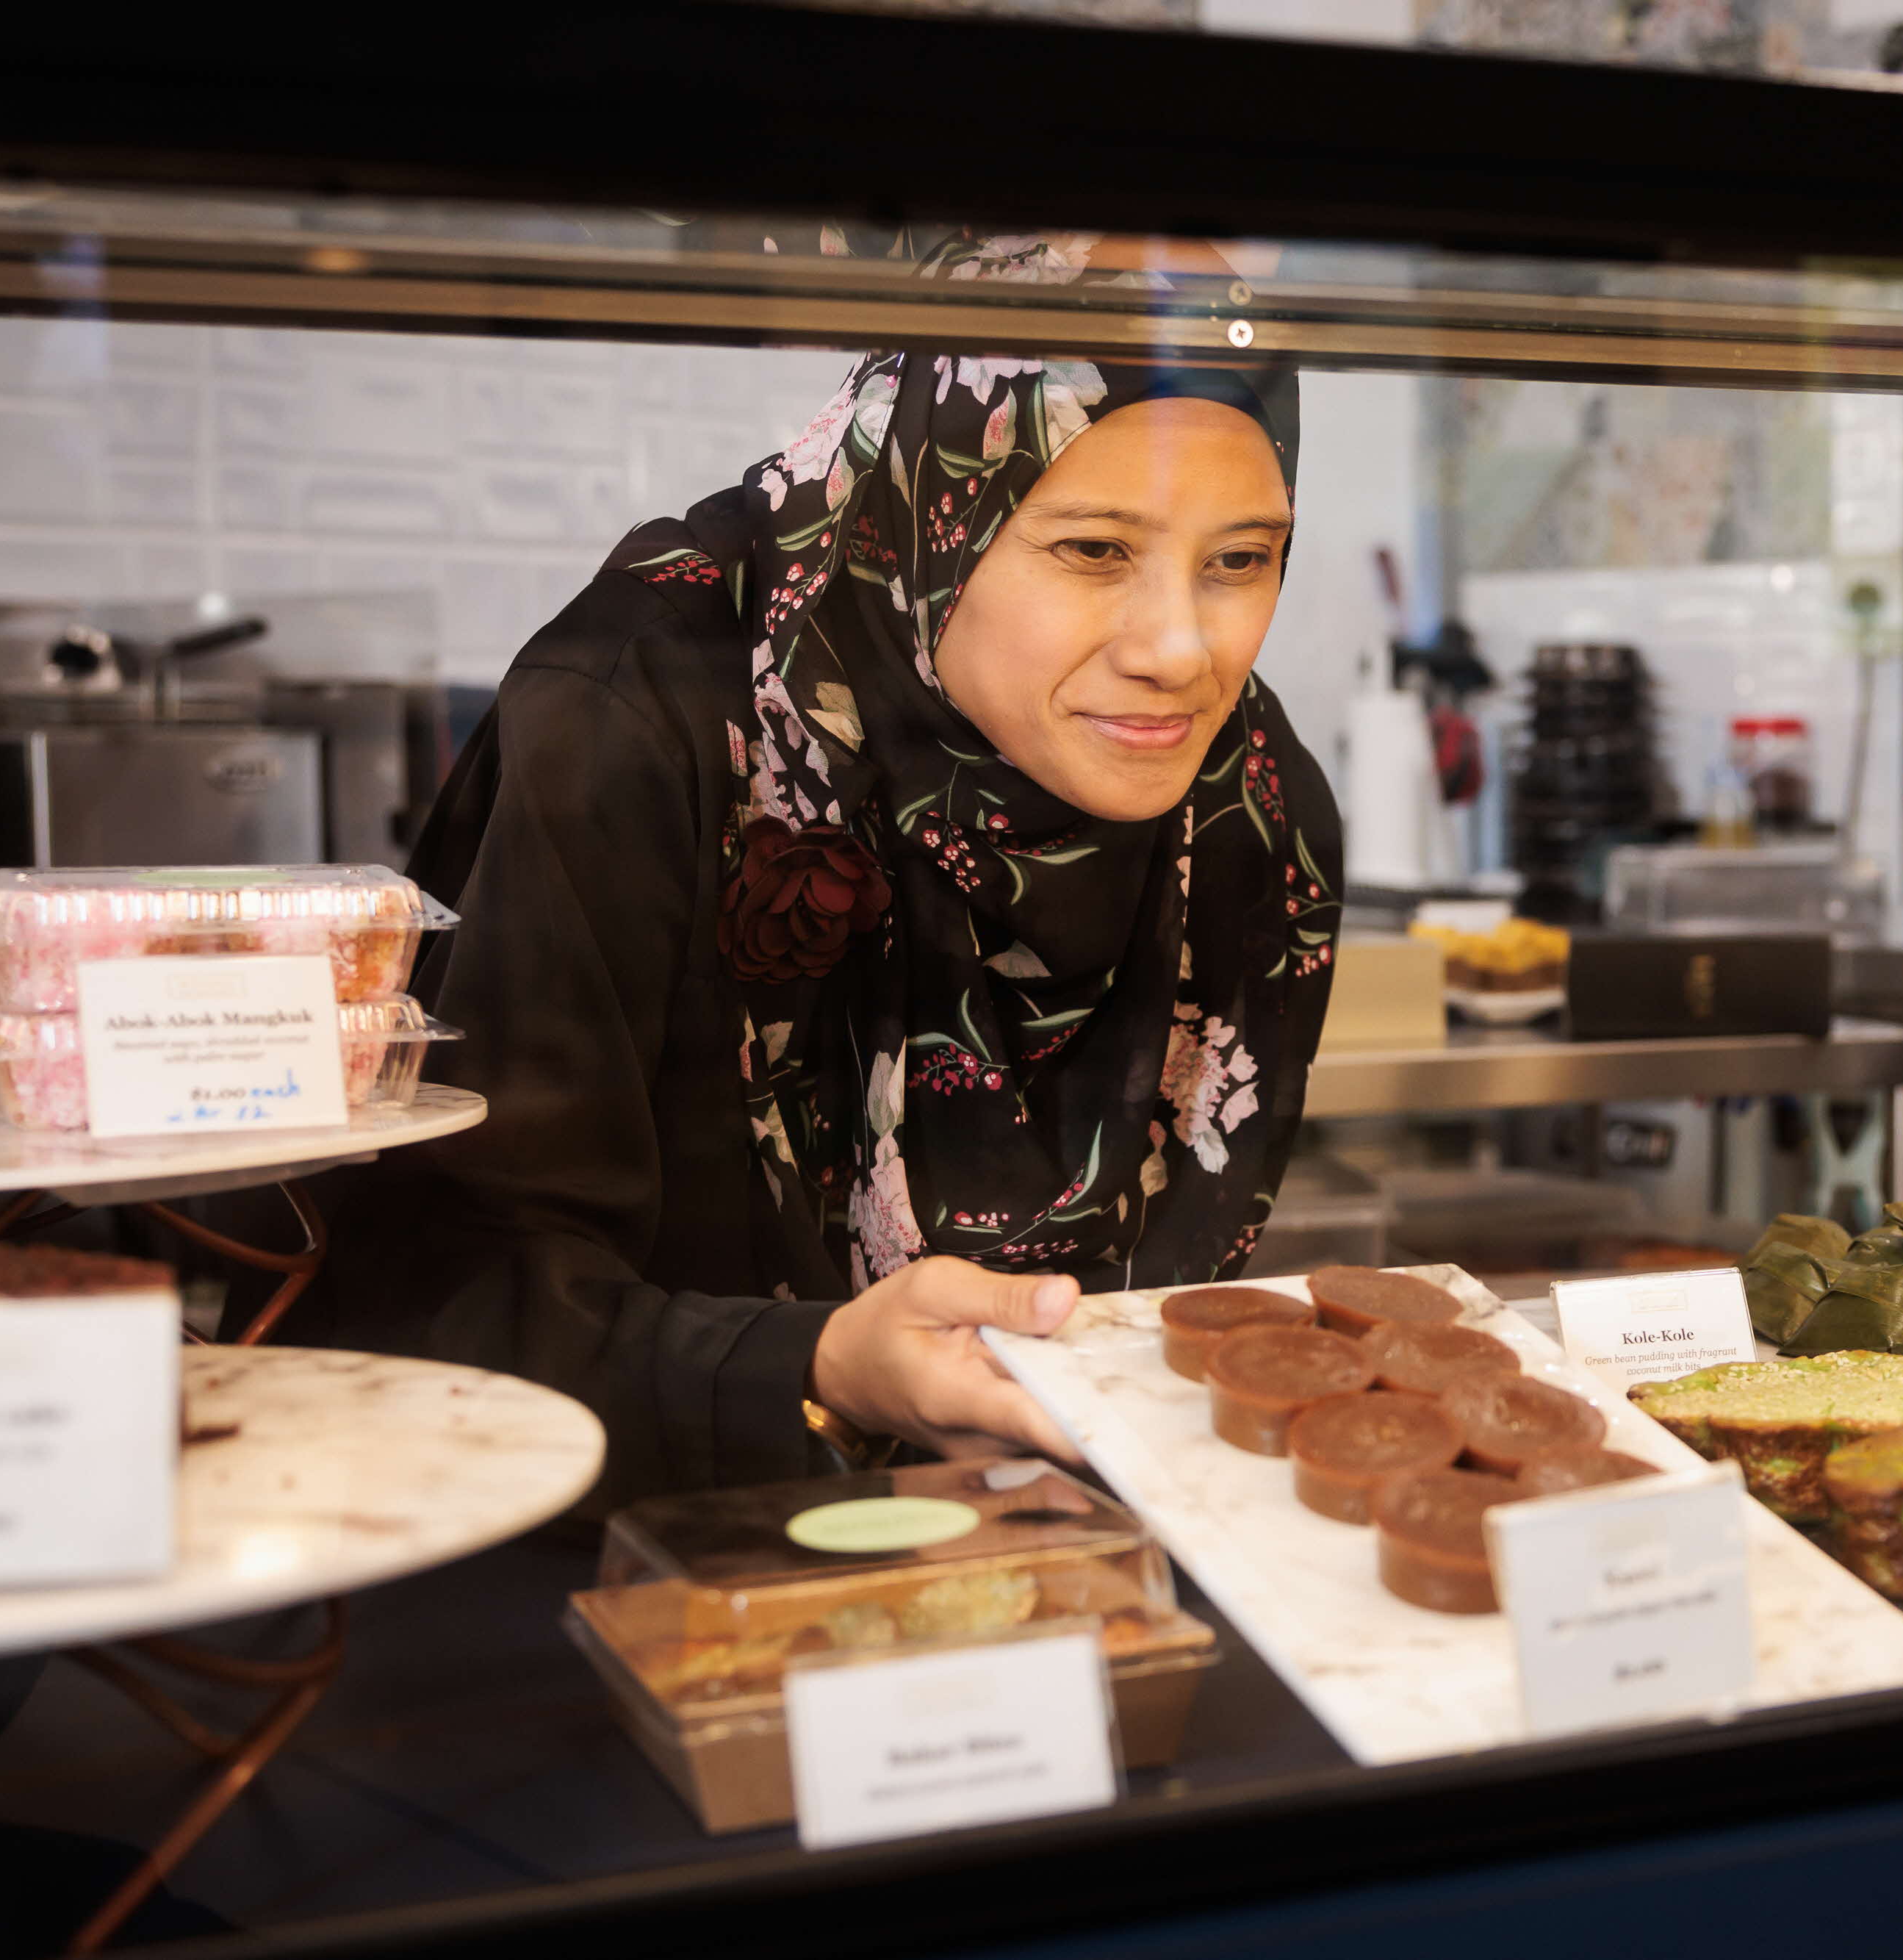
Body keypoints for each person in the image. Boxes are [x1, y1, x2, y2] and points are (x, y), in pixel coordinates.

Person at [312, 234, 1340, 1506]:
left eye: (1240, 560)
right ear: (925, 516)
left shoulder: (1246, 797)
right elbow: (440, 1305)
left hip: (1063, 1556)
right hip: (617, 1562)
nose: (1181, 651)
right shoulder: (645, 719)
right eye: (1093, 550)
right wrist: (819, 1371)